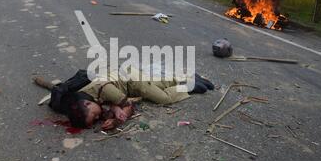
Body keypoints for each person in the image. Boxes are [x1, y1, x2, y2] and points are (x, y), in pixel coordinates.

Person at [51, 67, 214, 130]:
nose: (97, 118)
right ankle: (189, 78)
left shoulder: (102, 89)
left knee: (163, 97)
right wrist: (115, 115)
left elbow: (127, 105)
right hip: (128, 75)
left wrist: (119, 115)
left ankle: (189, 86)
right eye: (94, 120)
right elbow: (111, 105)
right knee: (160, 84)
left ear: (87, 103)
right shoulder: (88, 98)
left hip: (132, 81)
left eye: (93, 116)